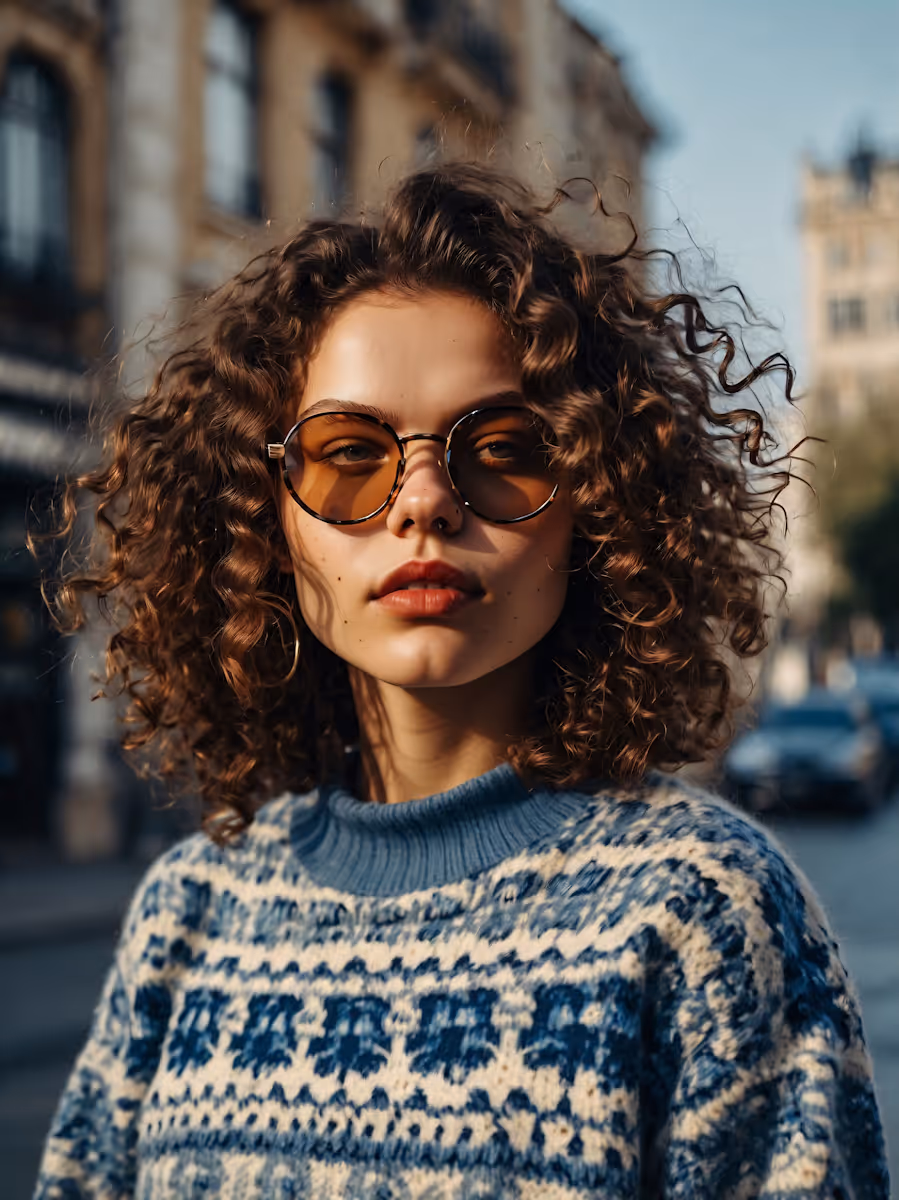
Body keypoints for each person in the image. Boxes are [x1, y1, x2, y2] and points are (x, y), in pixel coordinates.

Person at [33, 163, 889, 1199]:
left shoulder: (702, 910)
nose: (424, 501)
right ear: (263, 512)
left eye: (505, 448)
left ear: (596, 499)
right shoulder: (186, 915)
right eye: (347, 452)